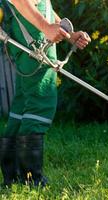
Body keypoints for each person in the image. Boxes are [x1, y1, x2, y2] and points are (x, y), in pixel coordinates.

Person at [0, 0, 91, 187]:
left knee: (24, 101)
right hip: (34, 38)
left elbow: (42, 4)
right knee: (40, 100)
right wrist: (45, 26)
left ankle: (13, 175)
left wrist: (69, 34)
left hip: (33, 34)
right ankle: (31, 179)